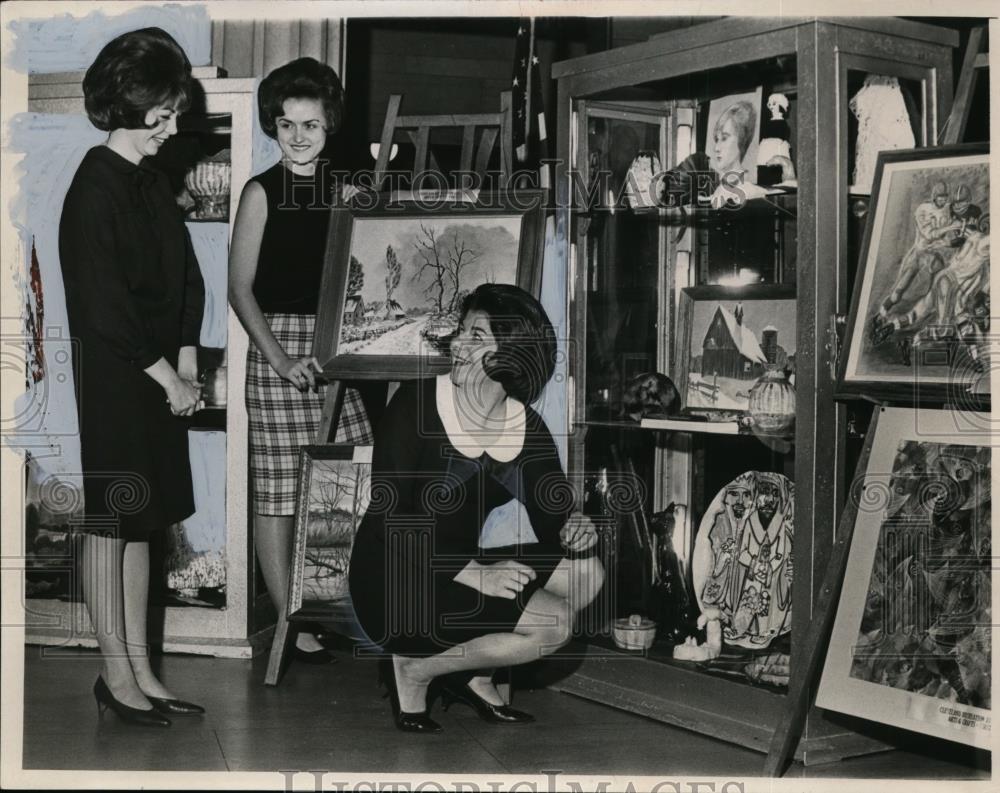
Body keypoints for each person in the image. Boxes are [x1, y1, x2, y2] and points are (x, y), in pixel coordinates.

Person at [349, 283, 605, 732]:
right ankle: (414, 670)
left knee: (587, 571)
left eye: (477, 335)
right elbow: (392, 518)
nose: (458, 344)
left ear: (512, 353)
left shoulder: (526, 426)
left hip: (461, 571)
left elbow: (555, 520)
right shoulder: (417, 405)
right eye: (462, 331)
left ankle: (473, 671)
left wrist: (577, 527)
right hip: (395, 579)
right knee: (554, 625)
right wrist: (478, 572)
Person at [58, 27, 206, 727]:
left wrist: (185, 356)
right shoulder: (95, 184)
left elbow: (187, 279)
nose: (173, 127)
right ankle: (114, 674)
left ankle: (144, 668)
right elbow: (102, 305)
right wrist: (165, 378)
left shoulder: (153, 182)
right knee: (112, 521)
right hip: (118, 377)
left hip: (155, 374)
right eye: (166, 114)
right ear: (132, 106)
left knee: (145, 523)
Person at [229, 57, 372, 664]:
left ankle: (331, 601)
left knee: (351, 478)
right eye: (286, 124)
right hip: (276, 352)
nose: (297, 136)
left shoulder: (349, 186)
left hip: (338, 344)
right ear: (274, 126)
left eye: (309, 125)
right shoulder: (260, 191)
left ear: (329, 124)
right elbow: (239, 289)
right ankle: (292, 621)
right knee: (280, 493)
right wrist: (284, 360)